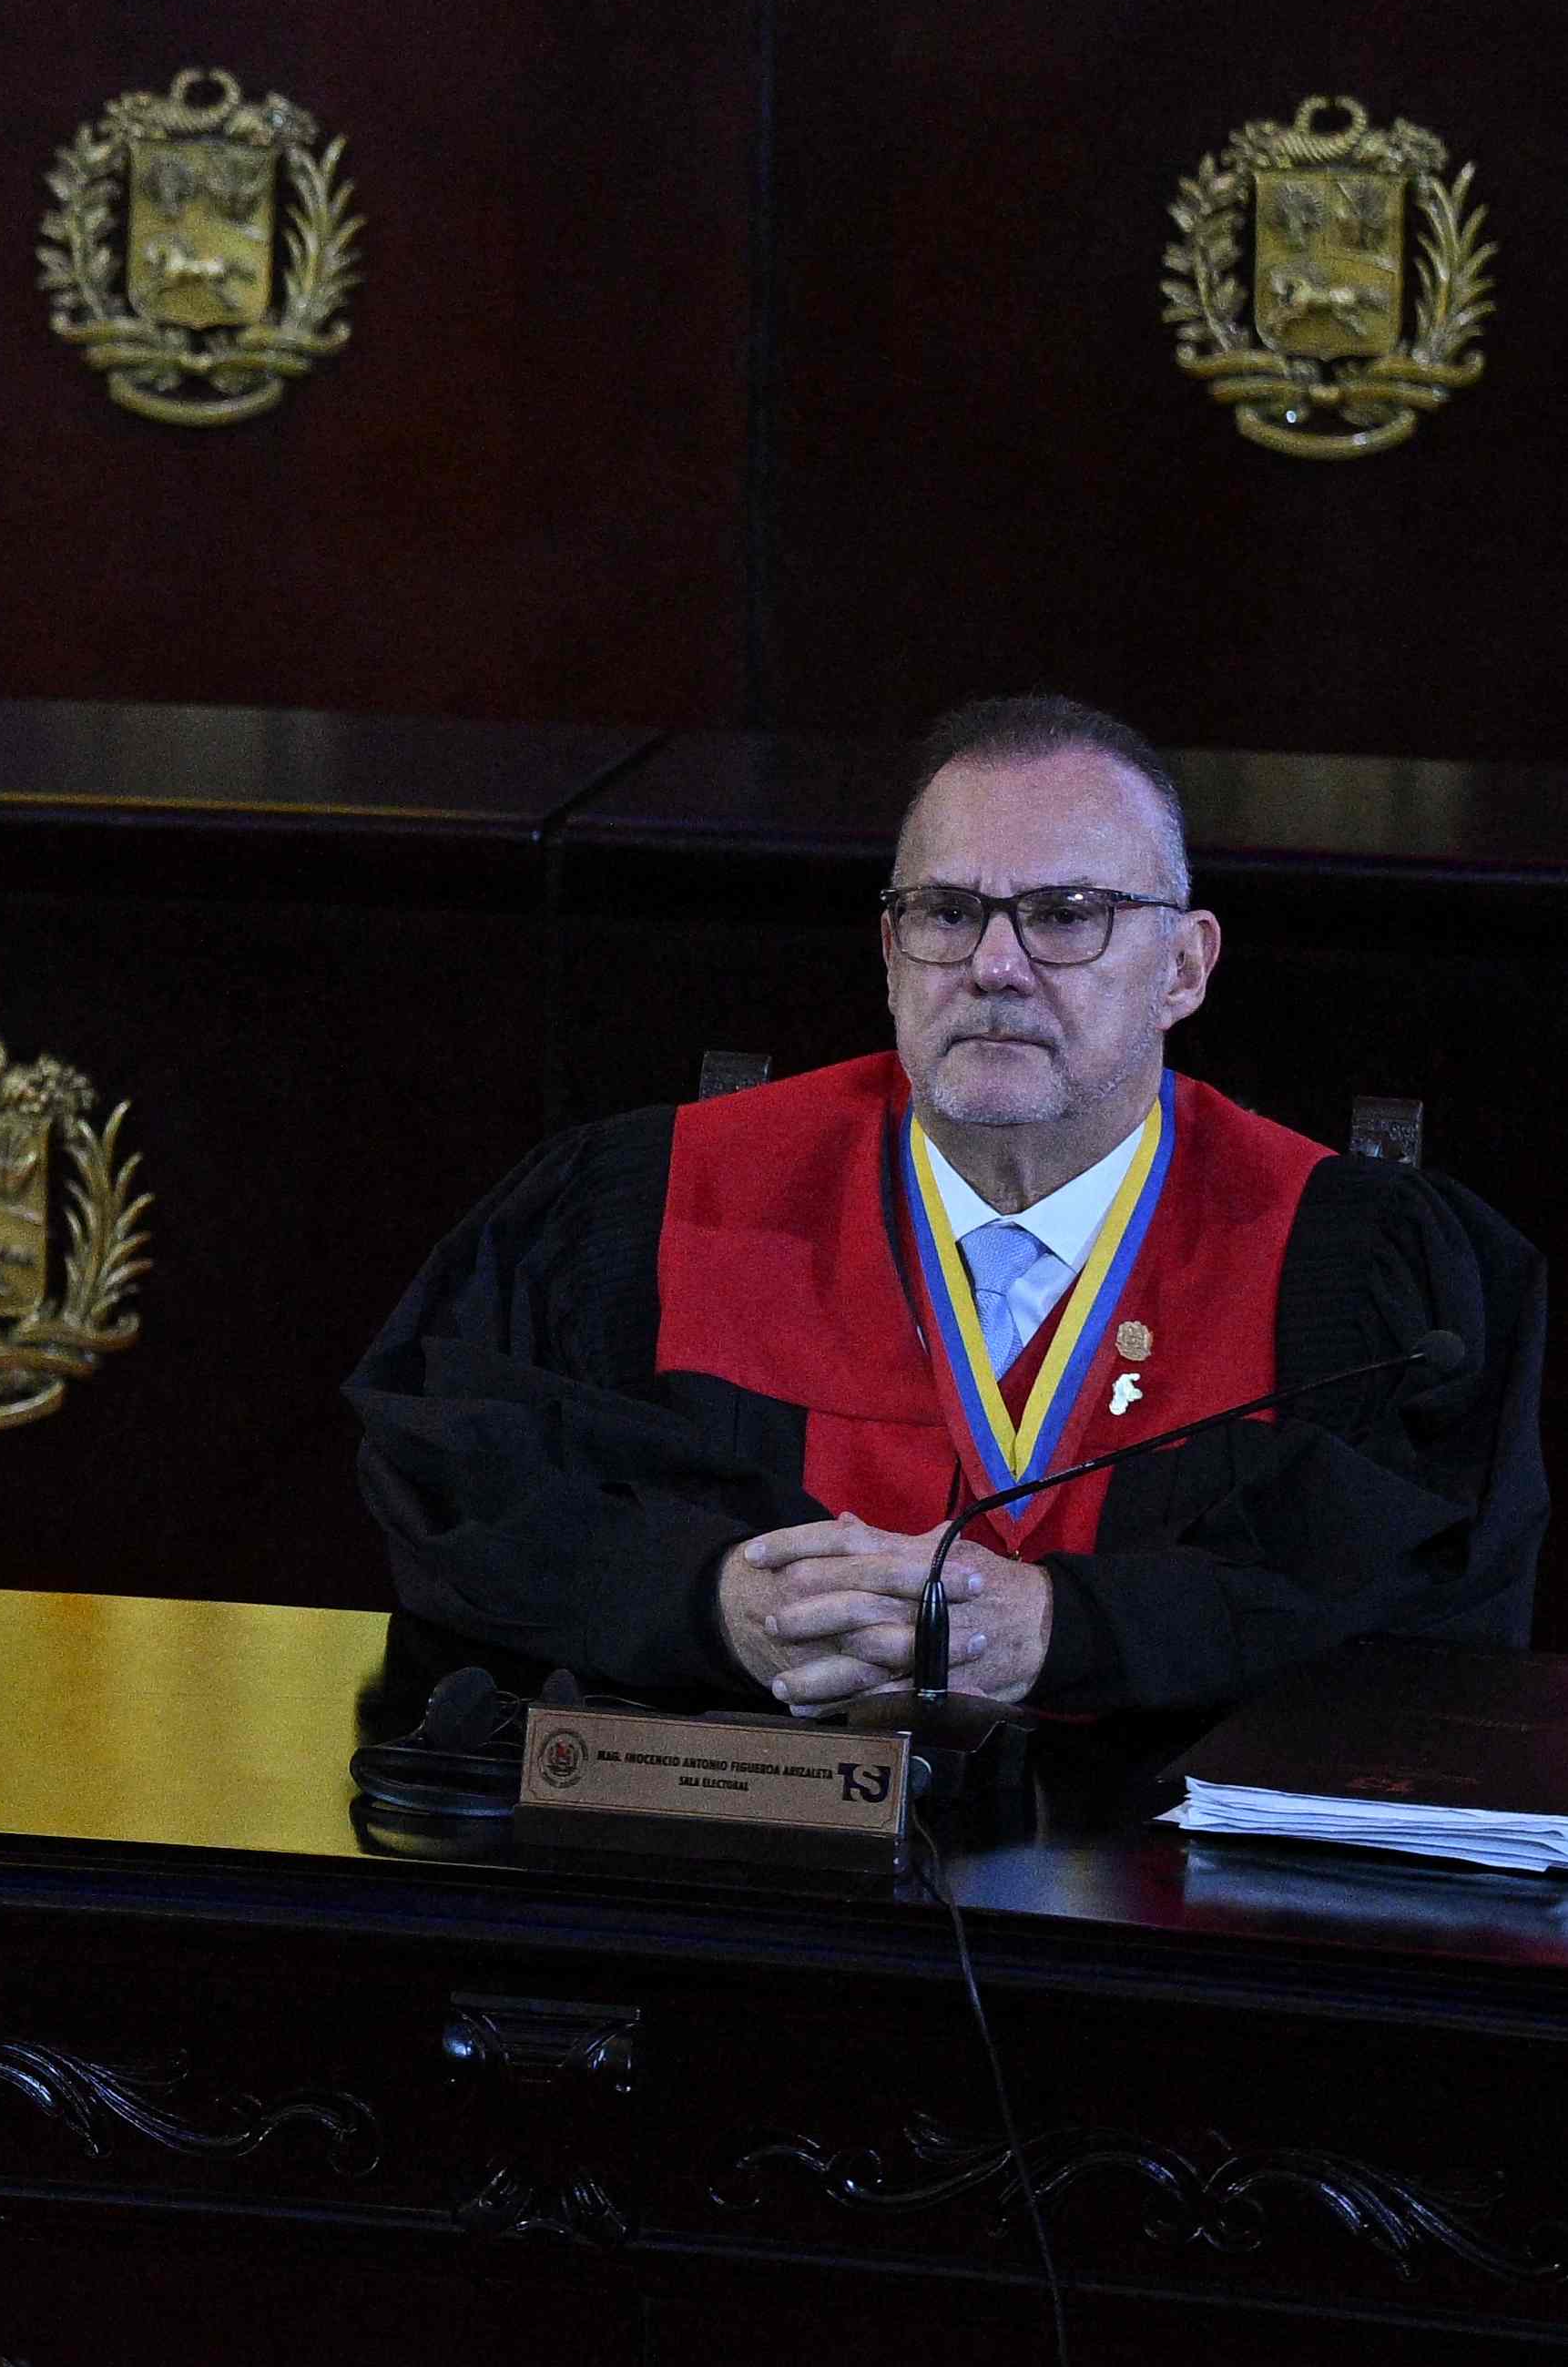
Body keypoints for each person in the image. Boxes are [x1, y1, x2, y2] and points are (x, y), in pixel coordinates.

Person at [353, 692, 1540, 1711]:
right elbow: (453, 1479)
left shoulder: (1352, 1267)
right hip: (747, 1879)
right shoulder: (651, 1201)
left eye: (1067, 914)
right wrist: (706, 1601)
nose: (995, 962)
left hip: (1174, 1911)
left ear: (1183, 966)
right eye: (947, 910)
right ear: (887, 948)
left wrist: (1071, 1629)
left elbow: (1420, 1596)